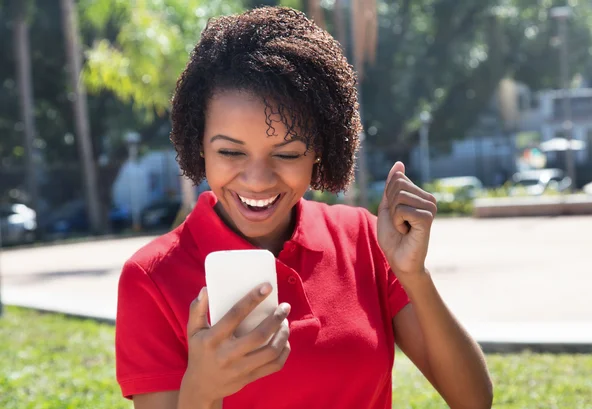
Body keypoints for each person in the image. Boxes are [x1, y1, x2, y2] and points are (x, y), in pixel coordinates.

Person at [115, 6, 493, 409]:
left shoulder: (364, 238)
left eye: (287, 154)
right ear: (198, 146)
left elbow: (473, 400)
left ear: (319, 151)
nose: (257, 179)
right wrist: (202, 390)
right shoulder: (150, 277)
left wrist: (413, 275)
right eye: (230, 151)